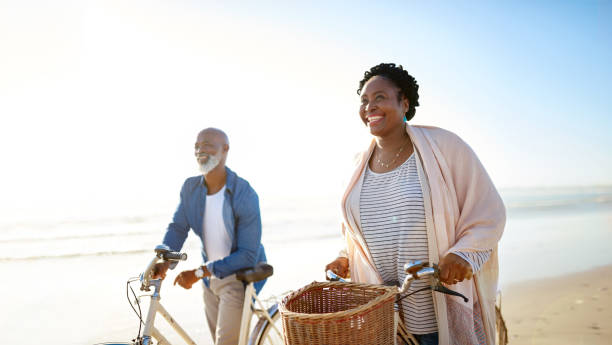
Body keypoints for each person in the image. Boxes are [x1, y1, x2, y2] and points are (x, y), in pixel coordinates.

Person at [324, 63, 505, 345]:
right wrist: (345, 257)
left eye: (380, 97)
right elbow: (356, 230)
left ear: (404, 102)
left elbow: (488, 211)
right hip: (383, 317)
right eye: (364, 101)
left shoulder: (444, 146)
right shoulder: (357, 165)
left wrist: (463, 254)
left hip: (435, 311)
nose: (370, 106)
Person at [152, 127, 266, 345]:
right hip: (209, 281)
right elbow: (178, 228)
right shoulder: (190, 188)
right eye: (197, 145)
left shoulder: (245, 193)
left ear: (225, 150)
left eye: (207, 145)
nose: (200, 150)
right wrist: (165, 262)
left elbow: (248, 255)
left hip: (239, 279)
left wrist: (199, 272)